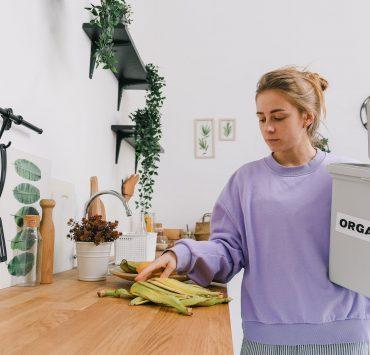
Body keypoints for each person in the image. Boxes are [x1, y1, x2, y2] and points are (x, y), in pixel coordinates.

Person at [135, 65, 370, 354]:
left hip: (343, 336)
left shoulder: (347, 176)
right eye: (261, 119)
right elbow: (227, 249)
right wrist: (180, 254)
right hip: (267, 340)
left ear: (307, 117)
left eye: (279, 117)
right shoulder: (245, 181)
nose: (268, 128)